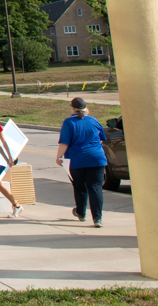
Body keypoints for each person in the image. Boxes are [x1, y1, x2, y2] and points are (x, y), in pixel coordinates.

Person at [56, 96, 107, 227]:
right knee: (95, 188)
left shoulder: (69, 123)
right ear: (86, 108)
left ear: (72, 108)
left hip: (76, 160)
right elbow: (101, 139)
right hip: (97, 159)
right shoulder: (94, 121)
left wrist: (59, 157)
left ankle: (81, 213)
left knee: (79, 187)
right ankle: (97, 219)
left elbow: (64, 143)